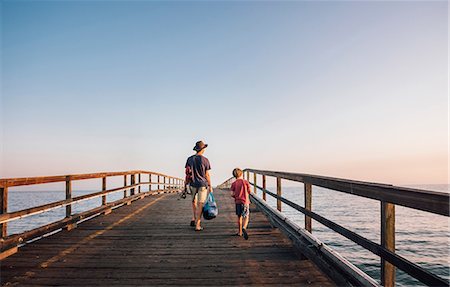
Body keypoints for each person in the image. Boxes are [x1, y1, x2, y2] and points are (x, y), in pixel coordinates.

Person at [185, 140, 213, 231]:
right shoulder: (205, 160)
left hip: (192, 183)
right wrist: (210, 185)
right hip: (202, 184)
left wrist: (185, 184)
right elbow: (207, 174)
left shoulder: (189, 159)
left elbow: (187, 173)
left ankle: (194, 218)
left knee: (193, 201)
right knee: (200, 204)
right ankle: (197, 225)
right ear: (203, 149)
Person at [230, 168, 251, 240]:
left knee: (239, 217)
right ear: (241, 174)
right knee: (246, 216)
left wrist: (236, 196)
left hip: (238, 202)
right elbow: (249, 191)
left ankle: (240, 232)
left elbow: (232, 194)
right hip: (245, 202)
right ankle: (244, 227)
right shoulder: (245, 182)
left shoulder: (233, 183)